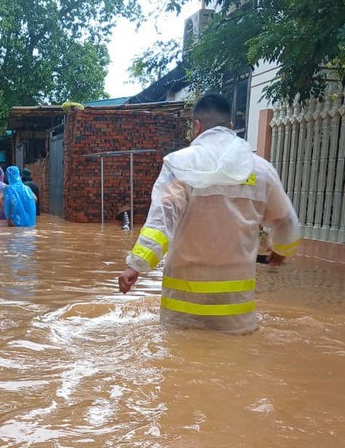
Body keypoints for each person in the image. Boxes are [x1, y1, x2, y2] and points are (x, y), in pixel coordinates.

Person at [117, 93, 300, 334]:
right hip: (235, 313)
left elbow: (161, 221)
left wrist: (136, 267)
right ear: (231, 128)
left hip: (183, 309)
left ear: (196, 127)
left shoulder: (179, 164)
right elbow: (286, 220)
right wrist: (280, 250)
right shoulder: (261, 170)